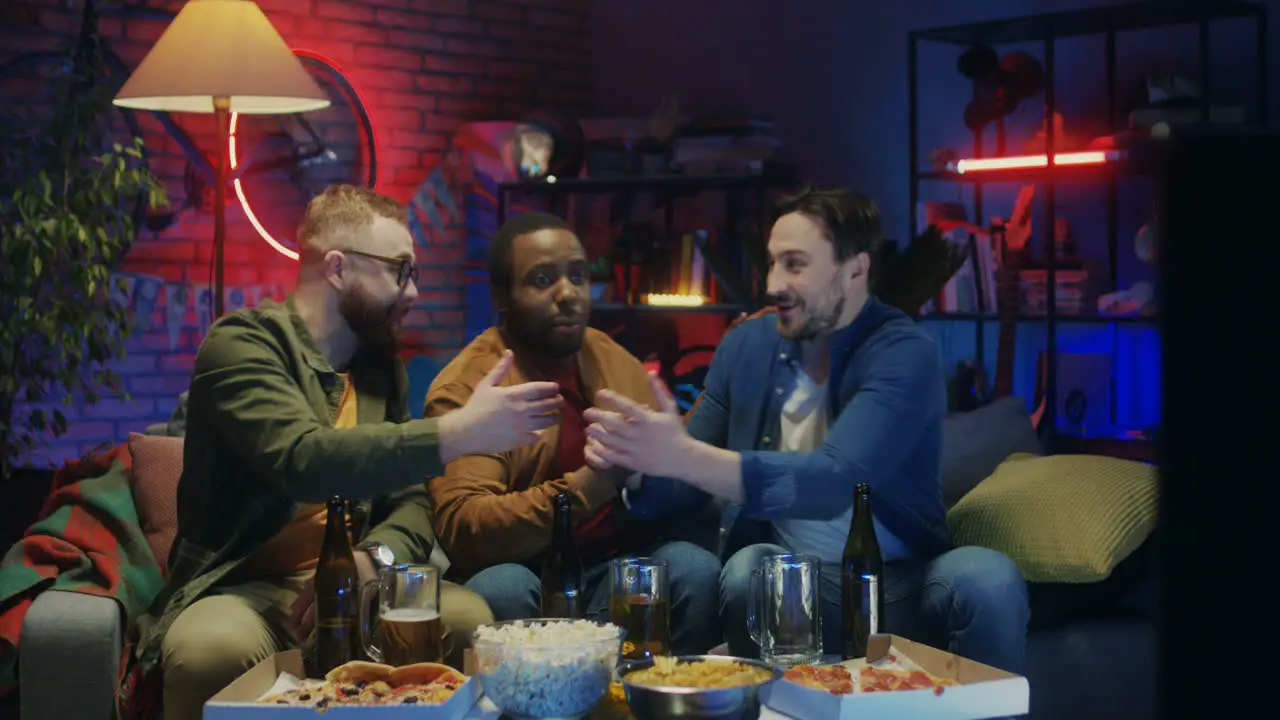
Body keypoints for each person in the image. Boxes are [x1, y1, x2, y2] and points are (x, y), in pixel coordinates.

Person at [131, 186, 565, 720]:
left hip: (359, 588)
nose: (412, 294)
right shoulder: (241, 345)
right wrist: (456, 434)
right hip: (248, 587)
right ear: (336, 268)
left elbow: (411, 501)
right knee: (208, 652)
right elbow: (303, 460)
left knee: (468, 616)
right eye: (400, 270)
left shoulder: (379, 368)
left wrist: (371, 559)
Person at [582, 187, 1030, 673]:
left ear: (855, 269)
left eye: (795, 265)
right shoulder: (747, 345)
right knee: (749, 567)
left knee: (990, 578)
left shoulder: (903, 353)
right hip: (799, 580)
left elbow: (834, 481)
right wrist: (638, 466)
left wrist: (682, 456)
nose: (774, 283)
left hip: (904, 582)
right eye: (773, 264)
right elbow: (688, 478)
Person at [423, 211, 721, 654]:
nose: (568, 294)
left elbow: (683, 489)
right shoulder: (469, 384)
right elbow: (465, 529)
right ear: (503, 296)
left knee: (692, 569)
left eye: (578, 277)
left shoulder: (612, 359)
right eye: (542, 280)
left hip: (609, 571)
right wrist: (589, 487)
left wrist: (656, 468)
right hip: (528, 577)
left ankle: (656, 700)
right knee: (502, 587)